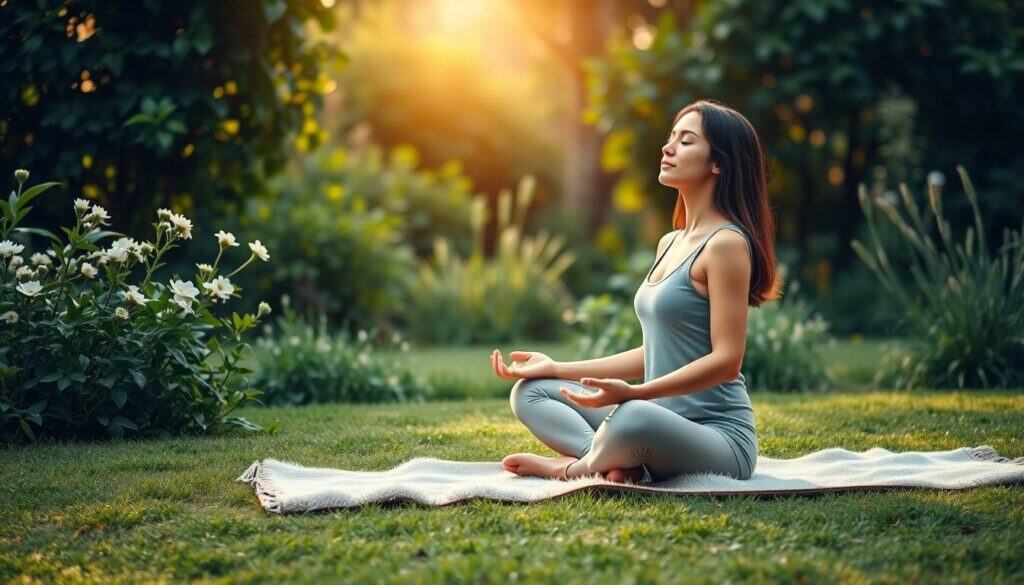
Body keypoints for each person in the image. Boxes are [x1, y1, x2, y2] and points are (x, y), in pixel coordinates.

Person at [491, 99, 782, 484]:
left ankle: (572, 469)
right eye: (671, 137)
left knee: (632, 415)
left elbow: (727, 360)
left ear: (719, 163)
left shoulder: (725, 244)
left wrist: (635, 394)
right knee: (533, 391)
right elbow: (656, 352)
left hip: (718, 439)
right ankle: (617, 461)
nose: (668, 147)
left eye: (687, 140)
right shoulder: (670, 243)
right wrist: (558, 367)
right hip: (652, 418)